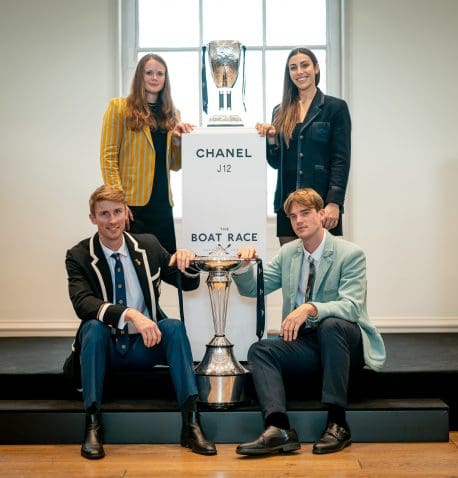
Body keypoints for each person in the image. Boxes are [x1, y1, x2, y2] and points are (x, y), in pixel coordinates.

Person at [65, 185, 216, 459]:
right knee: (93, 328)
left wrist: (187, 261)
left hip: (146, 344)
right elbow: (82, 303)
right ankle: (93, 424)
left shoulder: (148, 245)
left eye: (117, 212)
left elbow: (189, 284)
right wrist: (131, 314)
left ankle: (191, 423)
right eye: (104, 214)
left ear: (127, 213)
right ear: (92, 218)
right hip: (107, 347)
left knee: (173, 327)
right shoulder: (79, 255)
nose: (112, 220)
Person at [233, 188, 385, 455]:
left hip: (345, 343)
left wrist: (310, 308)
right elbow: (253, 289)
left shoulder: (350, 254)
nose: (299, 220)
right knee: (260, 350)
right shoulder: (289, 253)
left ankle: (338, 423)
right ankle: (278, 428)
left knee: (331, 325)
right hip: (307, 342)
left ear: (322, 214)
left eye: (305, 213)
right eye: (293, 217)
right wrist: (245, 265)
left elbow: (351, 307)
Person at [256, 47, 351, 246]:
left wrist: (334, 203)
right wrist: (271, 139)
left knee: (322, 263)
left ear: (316, 68)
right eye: (293, 68)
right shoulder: (280, 111)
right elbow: (275, 163)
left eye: (304, 65)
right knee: (290, 262)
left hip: (321, 203)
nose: (299, 71)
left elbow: (340, 160)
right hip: (287, 205)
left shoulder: (335, 108)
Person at [100, 53, 193, 254]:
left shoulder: (173, 114)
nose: (154, 78)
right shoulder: (119, 108)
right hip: (132, 205)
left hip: (162, 203)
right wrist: (117, 203)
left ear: (165, 78)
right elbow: (108, 158)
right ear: (140, 76)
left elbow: (175, 165)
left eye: (160, 74)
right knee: (135, 263)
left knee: (164, 263)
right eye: (149, 73)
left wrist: (177, 142)